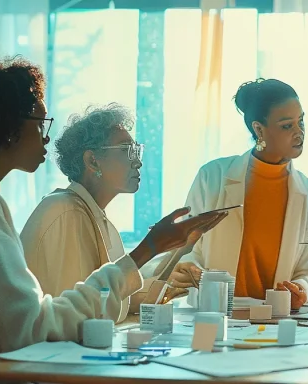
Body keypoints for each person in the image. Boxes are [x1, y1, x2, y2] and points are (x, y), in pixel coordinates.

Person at [0, 58, 213, 384]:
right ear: (8, 128)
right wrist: (146, 251)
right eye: (39, 122)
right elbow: (33, 329)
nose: (46, 136)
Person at [20, 103, 227, 322]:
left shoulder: (96, 217)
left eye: (136, 150)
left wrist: (186, 244)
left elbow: (117, 298)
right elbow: (80, 314)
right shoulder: (65, 211)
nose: (138, 161)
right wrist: (152, 246)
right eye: (126, 150)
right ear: (92, 161)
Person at [166, 78, 308, 310]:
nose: (299, 132)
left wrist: (302, 289)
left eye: (301, 121)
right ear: (259, 129)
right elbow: (186, 250)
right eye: (286, 125)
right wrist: (187, 270)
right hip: (217, 316)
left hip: (277, 319)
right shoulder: (212, 177)